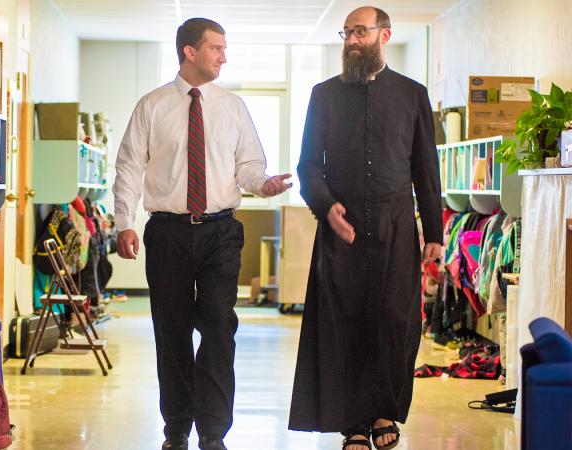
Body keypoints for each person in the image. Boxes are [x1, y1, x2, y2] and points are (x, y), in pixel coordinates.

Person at [112, 17, 292, 450]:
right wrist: (124, 223)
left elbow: (248, 166)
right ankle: (176, 429)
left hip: (220, 232)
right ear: (190, 52)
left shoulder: (232, 107)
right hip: (167, 232)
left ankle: (212, 432)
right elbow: (129, 168)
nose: (224, 57)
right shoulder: (152, 105)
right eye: (216, 48)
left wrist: (263, 184)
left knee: (218, 324)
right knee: (170, 331)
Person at [288, 6, 443, 450]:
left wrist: (434, 231)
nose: (352, 40)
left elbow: (425, 170)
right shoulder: (324, 95)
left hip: (397, 229)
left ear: (384, 35)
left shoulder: (413, 95)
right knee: (345, 323)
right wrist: (326, 206)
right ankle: (352, 421)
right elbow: (307, 167)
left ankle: (383, 412)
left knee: (393, 323)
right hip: (342, 231)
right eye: (347, 32)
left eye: (360, 31)